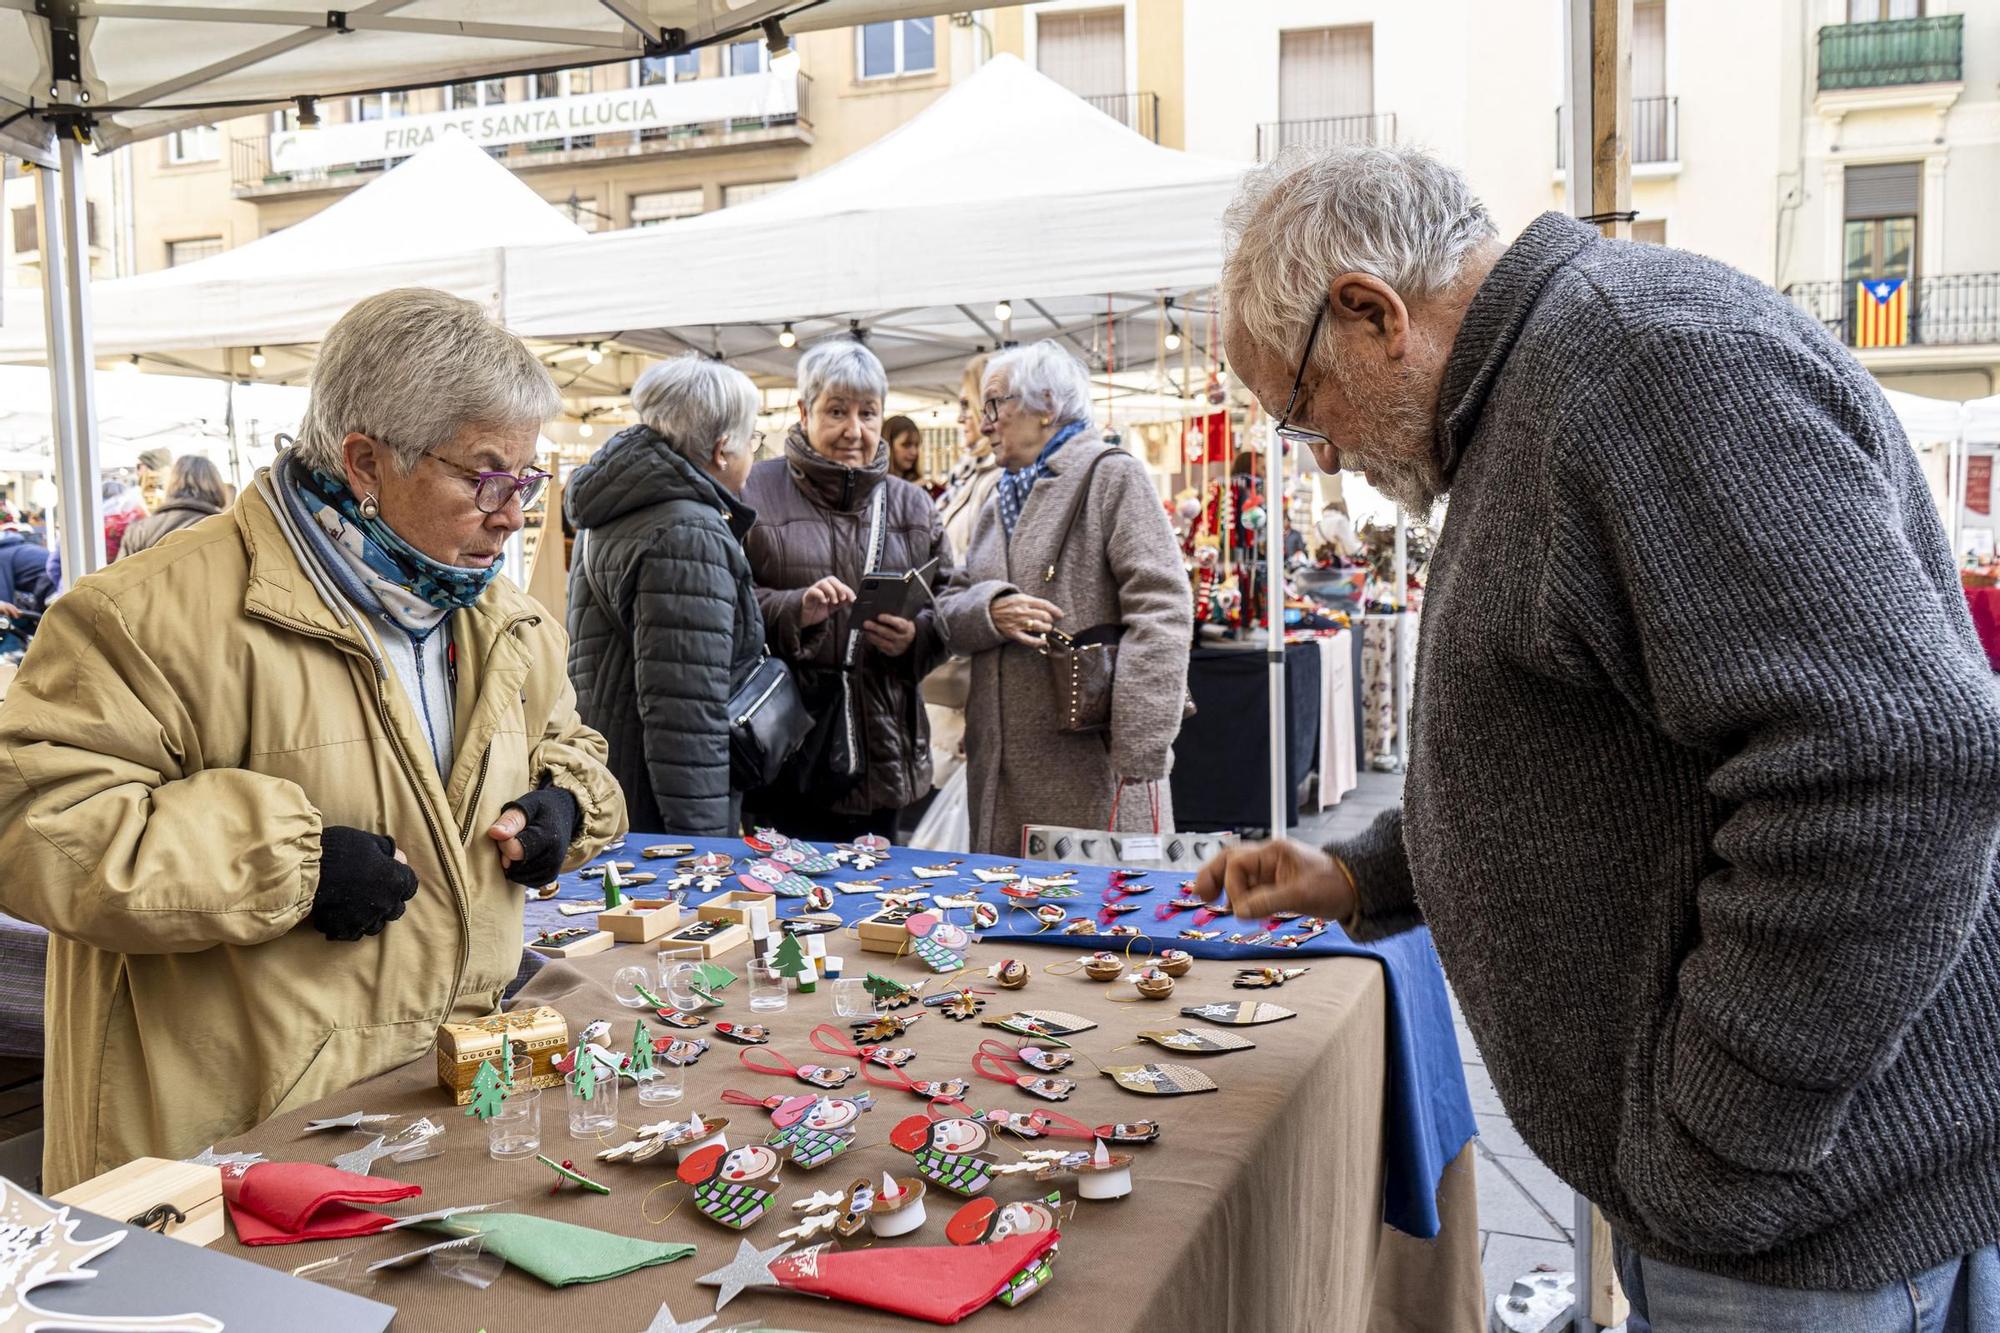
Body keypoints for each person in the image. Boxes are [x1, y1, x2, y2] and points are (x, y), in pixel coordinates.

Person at [1199, 145, 2000, 1330]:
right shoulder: (1548, 386)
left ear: (1369, 313)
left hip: (1798, 1239)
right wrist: (1367, 868)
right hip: (1771, 1219)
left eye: (1300, 404)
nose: (1319, 449)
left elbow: (1891, 767)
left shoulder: (1636, 367)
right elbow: (1589, 759)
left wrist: (1715, 1147)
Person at [0, 287, 625, 1192]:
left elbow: (568, 743)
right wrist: (289, 865)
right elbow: (36, 824)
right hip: (238, 1146)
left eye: (526, 481)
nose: (511, 513)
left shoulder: (500, 614)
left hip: (444, 1111)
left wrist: (565, 801)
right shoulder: (141, 615)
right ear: (365, 462)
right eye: (486, 476)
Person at [934, 340, 1192, 857]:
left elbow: (1162, 608)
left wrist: (1139, 755)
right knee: (1009, 924)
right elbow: (950, 602)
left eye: (995, 405)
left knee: (1092, 926)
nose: (985, 424)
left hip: (1092, 772)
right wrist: (989, 609)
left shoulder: (1111, 475)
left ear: (1047, 406)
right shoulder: (998, 497)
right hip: (1000, 770)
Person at [743, 338, 951, 844]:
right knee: (782, 900)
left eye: (868, 413)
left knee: (877, 902)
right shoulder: (753, 491)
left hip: (883, 747)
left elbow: (949, 597)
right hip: (784, 748)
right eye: (836, 411)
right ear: (803, 410)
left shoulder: (912, 506)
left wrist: (916, 636)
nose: (853, 430)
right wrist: (796, 610)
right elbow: (726, 599)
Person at [565, 354, 767, 836]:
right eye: (753, 440)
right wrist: (705, 848)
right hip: (656, 805)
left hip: (618, 772)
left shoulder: (622, 504)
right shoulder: (687, 533)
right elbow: (686, 716)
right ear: (722, 449)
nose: (753, 454)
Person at [924, 353, 1004, 784]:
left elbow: (981, 580)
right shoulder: (968, 477)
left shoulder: (994, 482)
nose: (959, 419)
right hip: (947, 678)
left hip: (964, 683)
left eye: (964, 405)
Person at [117, 455, 228, 558]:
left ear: (171, 482)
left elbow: (119, 577)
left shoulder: (139, 531)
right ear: (216, 485)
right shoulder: (228, 529)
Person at [0, 524, 51, 617]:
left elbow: (3, 599)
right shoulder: (18, 547)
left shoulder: (2, 555)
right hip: (57, 581)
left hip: (50, 586)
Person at [884, 414, 926, 489]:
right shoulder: (874, 486)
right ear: (888, 445)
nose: (914, 452)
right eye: (906, 445)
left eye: (916, 445)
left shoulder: (920, 484)